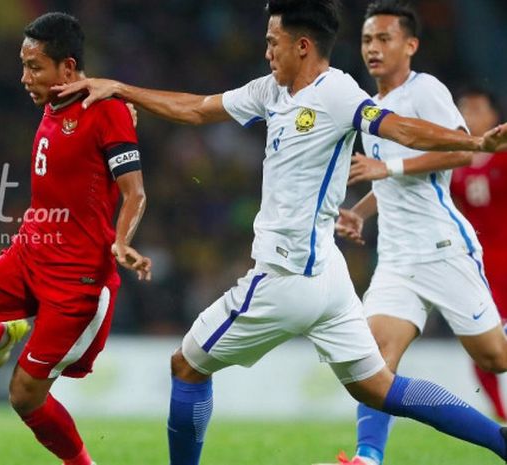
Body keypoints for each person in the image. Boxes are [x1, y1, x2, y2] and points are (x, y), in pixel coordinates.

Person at [55, 0, 507, 464]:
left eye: (274, 42)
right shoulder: (271, 91)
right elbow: (195, 109)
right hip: (328, 277)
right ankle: (500, 442)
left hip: (285, 276)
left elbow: (404, 130)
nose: (267, 51)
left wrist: (472, 142)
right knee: (379, 388)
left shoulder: (338, 93)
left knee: (186, 366)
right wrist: (121, 90)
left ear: (303, 46)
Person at [0, 12, 151, 465]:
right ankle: (3, 332)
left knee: (24, 395)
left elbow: (135, 192)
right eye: (23, 65)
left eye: (35, 67)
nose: (25, 77)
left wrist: (122, 241)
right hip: (27, 256)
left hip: (76, 282)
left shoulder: (108, 111)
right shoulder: (57, 99)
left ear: (67, 67)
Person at [331, 2, 507, 464]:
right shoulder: (371, 108)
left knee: (496, 358)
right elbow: (397, 184)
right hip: (396, 258)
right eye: (368, 39)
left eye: (384, 38)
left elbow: (460, 151)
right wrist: (364, 210)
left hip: (442, 247)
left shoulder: (424, 90)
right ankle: (369, 457)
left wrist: (383, 167)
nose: (373, 47)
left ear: (410, 45)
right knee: (370, 363)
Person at [452, 86, 507, 422]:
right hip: (479, 268)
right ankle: (501, 417)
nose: (469, 116)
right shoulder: (451, 158)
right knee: (482, 345)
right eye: (464, 109)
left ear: (493, 116)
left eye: (476, 109)